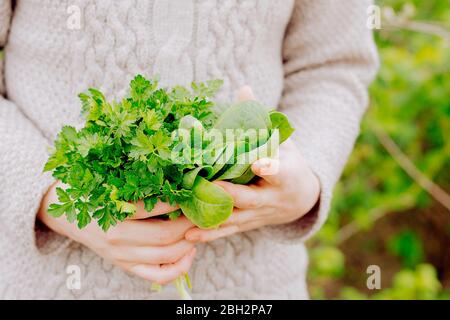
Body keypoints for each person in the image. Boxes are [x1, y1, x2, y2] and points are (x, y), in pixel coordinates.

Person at [0, 0, 378, 299]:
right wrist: (49, 196)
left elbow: (332, 65)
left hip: (255, 285)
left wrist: (305, 179)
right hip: (47, 285)